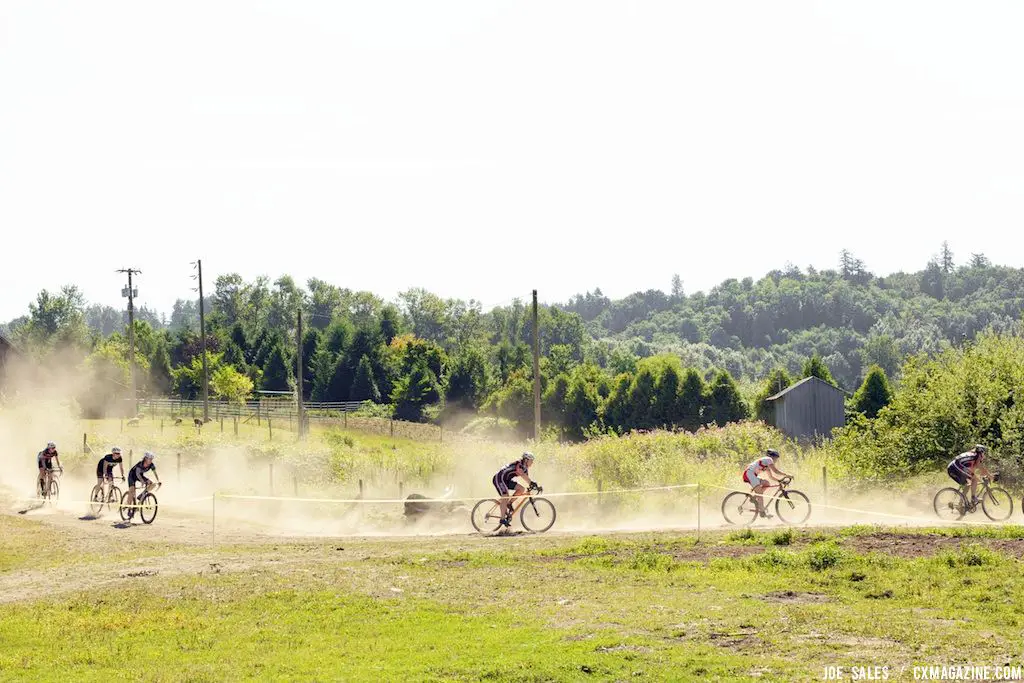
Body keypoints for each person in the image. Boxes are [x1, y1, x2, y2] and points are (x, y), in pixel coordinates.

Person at [742, 449, 791, 518]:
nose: (776, 460)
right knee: (760, 493)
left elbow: (771, 477)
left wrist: (779, 481)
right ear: (772, 456)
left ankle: (754, 498)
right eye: (776, 458)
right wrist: (786, 475)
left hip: (752, 474)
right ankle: (763, 512)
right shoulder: (768, 459)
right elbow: (775, 471)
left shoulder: (767, 465)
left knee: (767, 483)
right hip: (749, 473)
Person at [492, 452, 536, 528]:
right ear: (526, 460)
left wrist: (533, 485)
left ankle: (509, 503)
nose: (532, 462)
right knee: (505, 496)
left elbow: (527, 479)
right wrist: (533, 483)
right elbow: (524, 476)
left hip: (506, 480)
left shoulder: (525, 468)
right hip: (499, 478)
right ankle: (502, 519)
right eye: (531, 460)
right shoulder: (519, 465)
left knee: (521, 489)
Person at [125, 451, 161, 519]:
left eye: (151, 459)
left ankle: (141, 496)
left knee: (152, 484)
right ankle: (129, 508)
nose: (150, 460)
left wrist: (158, 481)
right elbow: (137, 474)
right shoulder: (140, 464)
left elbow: (155, 473)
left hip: (140, 475)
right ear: (145, 458)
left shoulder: (151, 465)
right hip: (132, 476)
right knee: (132, 491)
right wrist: (142, 481)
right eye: (149, 459)